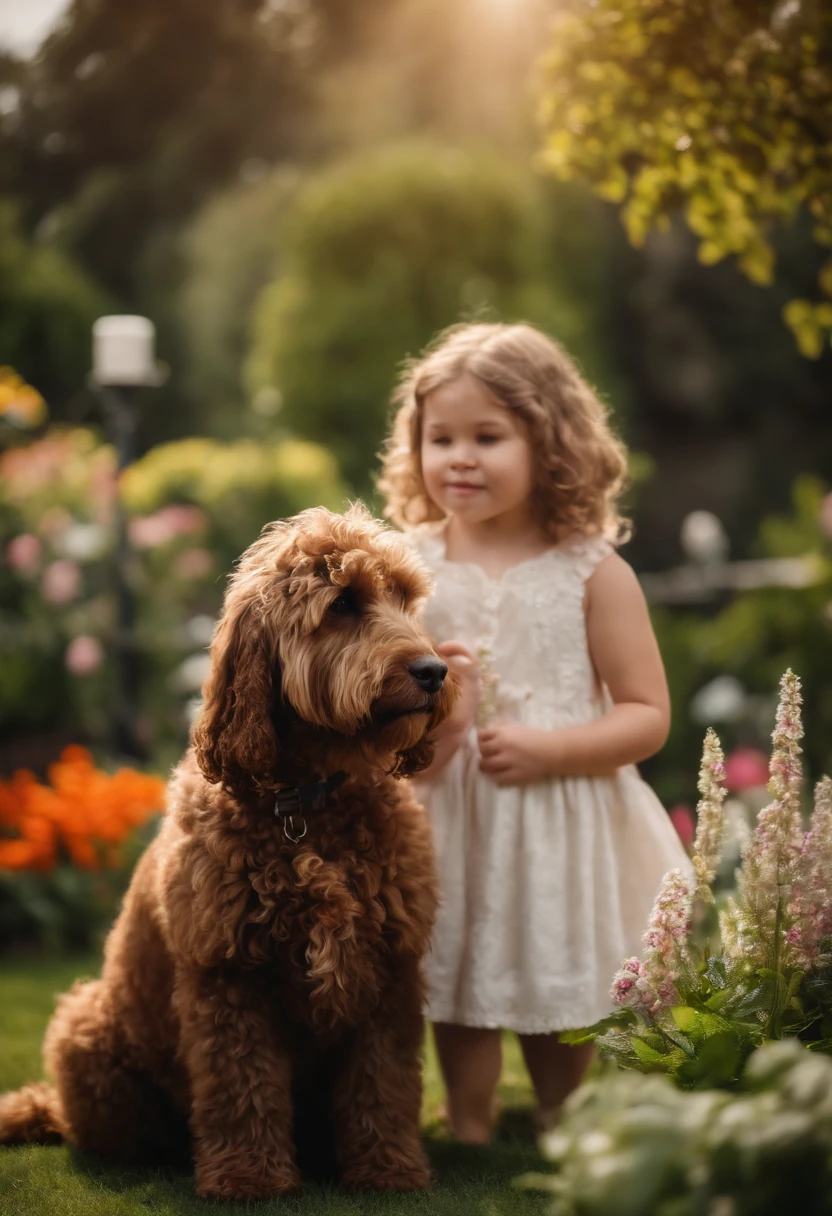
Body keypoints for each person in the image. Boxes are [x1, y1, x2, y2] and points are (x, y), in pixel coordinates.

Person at [378, 321, 691, 1144]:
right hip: (447, 809)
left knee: (556, 968)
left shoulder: (591, 570)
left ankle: (562, 1112)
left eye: (488, 436)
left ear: (549, 441)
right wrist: (444, 730)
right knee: (454, 968)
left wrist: (549, 748)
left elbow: (647, 715)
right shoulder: (407, 566)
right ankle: (470, 1121)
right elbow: (385, 700)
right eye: (439, 438)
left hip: (558, 812)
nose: (460, 458)